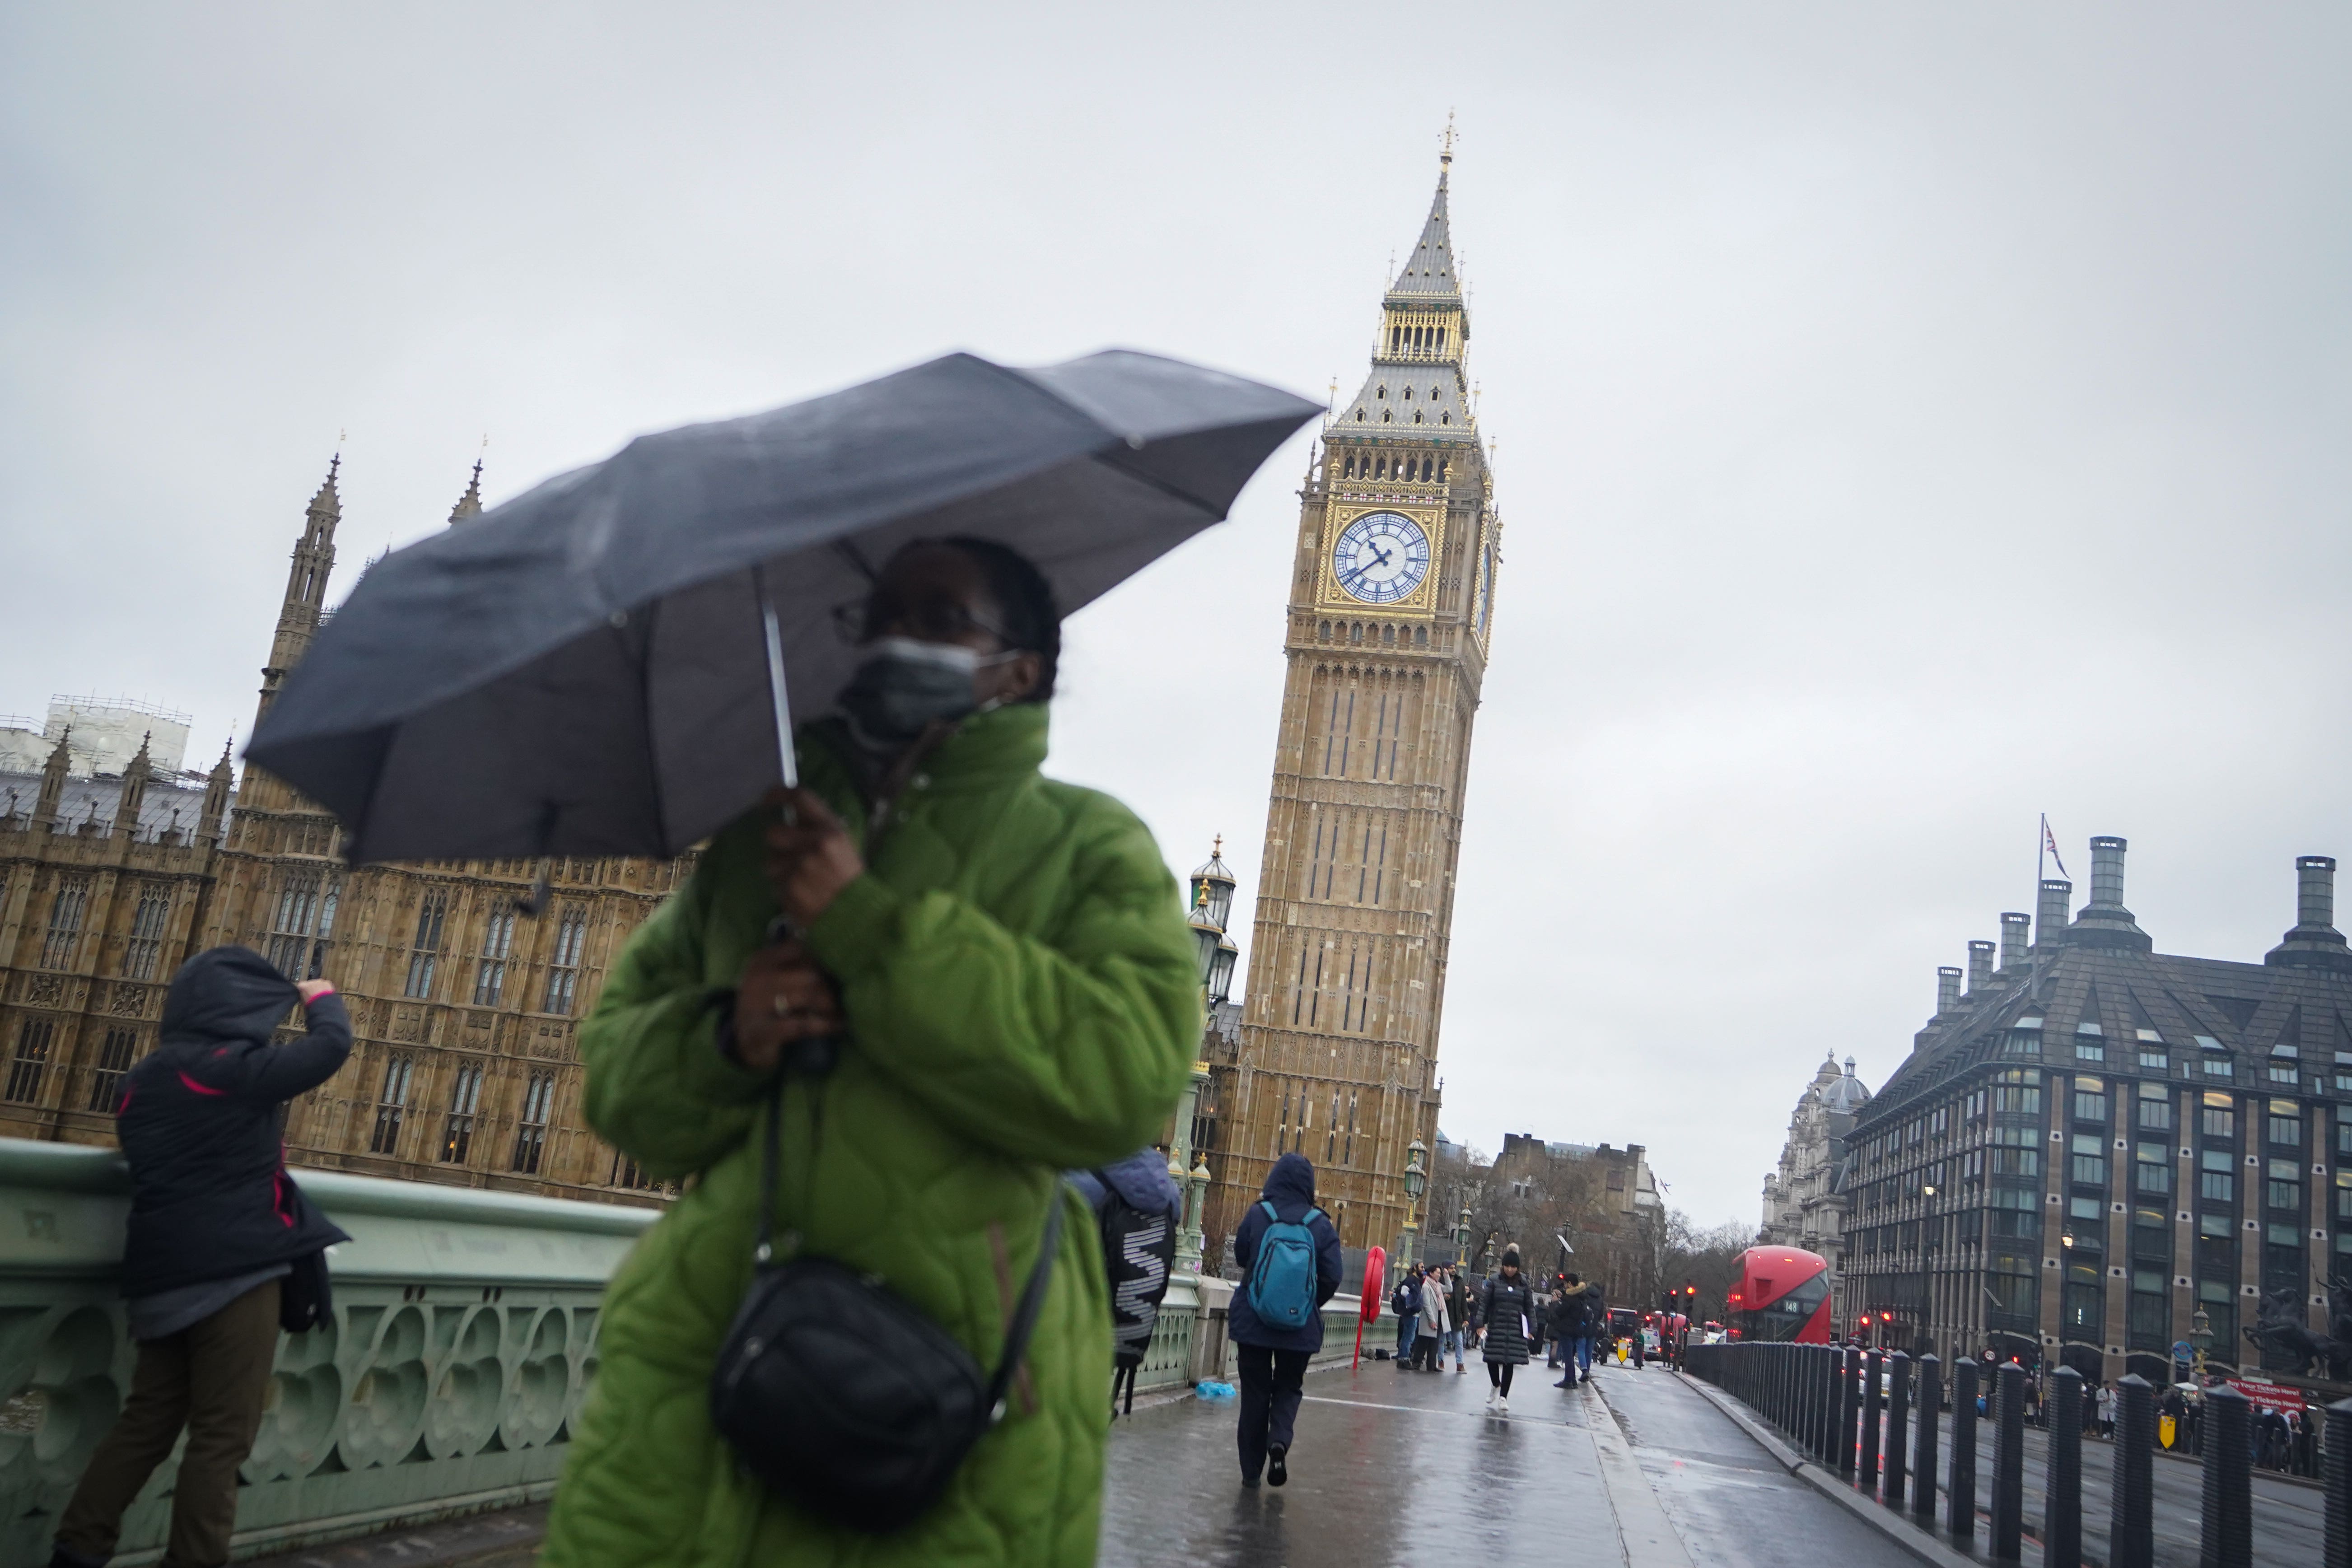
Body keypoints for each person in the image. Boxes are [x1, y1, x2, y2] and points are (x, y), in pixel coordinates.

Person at [537, 539, 1202, 1568]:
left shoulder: (1089, 849)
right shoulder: (766, 843)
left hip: (957, 1389)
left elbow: (1127, 1077)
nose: (895, 640)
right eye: (878, 617)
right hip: (704, 1360)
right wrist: (728, 1034)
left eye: (936, 620)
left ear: (1020, 669)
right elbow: (619, 1083)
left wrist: (869, 927)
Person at [50, 948, 350, 1568]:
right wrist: (320, 997)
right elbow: (329, 1050)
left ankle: (77, 1549)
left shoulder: (140, 1080)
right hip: (234, 1275)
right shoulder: (232, 1071)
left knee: (146, 1424)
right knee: (220, 1440)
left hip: (157, 1273)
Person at [1227, 1152, 1342, 1489]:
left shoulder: (1259, 1214)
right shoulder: (1320, 1224)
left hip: (1253, 1323)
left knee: (1255, 1395)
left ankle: (1251, 1474)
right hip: (1299, 1328)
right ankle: (1279, 1441)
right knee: (1288, 1388)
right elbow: (1333, 1275)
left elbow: (1242, 1256)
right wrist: (1307, 1304)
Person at [1479, 1249, 1535, 1414]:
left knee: (1509, 1363)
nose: (1510, 1270)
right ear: (1503, 1266)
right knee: (1491, 1359)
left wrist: (1532, 1328)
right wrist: (1480, 1323)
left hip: (1516, 1328)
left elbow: (1529, 1308)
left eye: (1513, 1267)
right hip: (1497, 1325)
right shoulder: (1494, 1282)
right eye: (1507, 1266)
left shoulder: (1524, 1284)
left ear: (1518, 1268)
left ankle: (1503, 1397)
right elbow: (1485, 1304)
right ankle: (1496, 1384)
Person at [1552, 1274, 1595, 1388]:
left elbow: (1560, 1312)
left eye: (1566, 1284)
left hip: (1567, 1329)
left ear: (1570, 1284)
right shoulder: (1580, 1296)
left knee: (1568, 1356)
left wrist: (1556, 1302)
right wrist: (1563, 1298)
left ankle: (1568, 1380)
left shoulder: (1570, 1298)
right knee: (1570, 1355)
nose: (1565, 1286)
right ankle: (1572, 1380)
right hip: (1576, 1329)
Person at [1414, 1263, 1449, 1370]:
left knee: (1435, 1343)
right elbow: (1427, 1304)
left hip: (1438, 1317)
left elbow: (1449, 1289)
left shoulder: (1438, 1286)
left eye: (1440, 1273)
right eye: (1437, 1273)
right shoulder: (1426, 1286)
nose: (1439, 1275)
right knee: (1424, 1342)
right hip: (1429, 1318)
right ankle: (1417, 1362)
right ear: (1431, 1273)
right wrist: (1432, 1320)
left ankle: (1432, 1365)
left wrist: (1446, 1276)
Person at [1445, 1264, 1472, 1372]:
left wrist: (1466, 1318)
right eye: (1451, 1268)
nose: (1454, 1270)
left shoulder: (1459, 1283)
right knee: (1441, 1341)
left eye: (1454, 1268)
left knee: (1459, 1342)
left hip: (1457, 1317)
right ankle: (1440, 1361)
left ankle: (1460, 1364)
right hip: (1445, 1315)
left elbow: (1463, 1303)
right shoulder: (1442, 1281)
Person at [1392, 1268, 1421, 1369]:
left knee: (1407, 1336)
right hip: (1411, 1313)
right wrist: (1412, 1303)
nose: (1423, 1269)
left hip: (1411, 1312)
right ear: (1415, 1268)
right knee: (1409, 1337)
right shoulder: (1411, 1280)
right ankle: (1404, 1359)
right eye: (1421, 1267)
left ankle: (1402, 1358)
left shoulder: (1414, 1280)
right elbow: (1404, 1292)